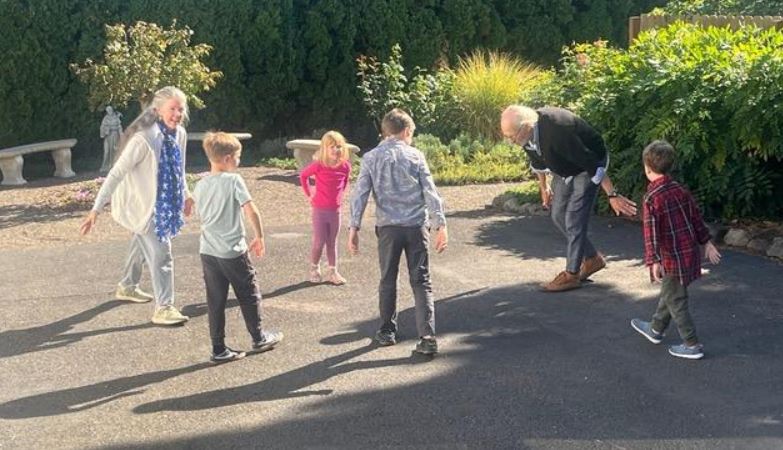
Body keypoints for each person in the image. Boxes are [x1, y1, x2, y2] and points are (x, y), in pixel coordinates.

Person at [80, 86, 192, 326]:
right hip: (142, 204)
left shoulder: (180, 134)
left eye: (180, 109)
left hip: (164, 203)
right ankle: (164, 308)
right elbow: (116, 173)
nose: (177, 114)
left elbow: (179, 169)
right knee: (162, 254)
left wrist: (186, 194)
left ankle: (127, 286)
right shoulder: (144, 139)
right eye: (172, 109)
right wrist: (96, 209)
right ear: (157, 110)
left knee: (141, 242)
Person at [500, 105, 638, 292]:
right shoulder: (527, 134)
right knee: (557, 215)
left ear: (526, 127)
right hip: (564, 167)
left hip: (588, 166)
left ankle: (571, 275)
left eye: (512, 136)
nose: (510, 141)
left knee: (573, 219)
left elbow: (591, 163)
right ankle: (593, 259)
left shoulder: (557, 131)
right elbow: (536, 159)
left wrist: (612, 194)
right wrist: (544, 186)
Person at [349, 108, 448, 355]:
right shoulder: (416, 156)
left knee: (387, 279)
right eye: (411, 133)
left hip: (388, 228)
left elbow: (360, 194)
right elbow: (430, 192)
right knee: (421, 281)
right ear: (405, 131)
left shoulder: (371, 158)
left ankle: (386, 331)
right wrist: (440, 224)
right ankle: (427, 336)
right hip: (416, 227)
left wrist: (354, 226)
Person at [192, 132, 282, 363]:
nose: (239, 161)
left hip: (208, 250)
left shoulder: (200, 185)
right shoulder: (234, 181)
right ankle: (258, 337)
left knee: (215, 300)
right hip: (232, 250)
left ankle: (218, 348)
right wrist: (259, 236)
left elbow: (200, 214)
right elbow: (251, 210)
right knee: (248, 292)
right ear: (227, 158)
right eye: (238, 157)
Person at [631, 140, 720, 360]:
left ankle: (692, 344)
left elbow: (651, 233)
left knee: (676, 300)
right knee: (671, 292)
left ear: (647, 168)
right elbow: (695, 217)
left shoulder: (651, 198)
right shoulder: (680, 190)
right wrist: (706, 242)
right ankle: (656, 328)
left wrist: (653, 260)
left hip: (671, 258)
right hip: (689, 253)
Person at [299, 131, 352, 285]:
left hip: (335, 211)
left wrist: (341, 195)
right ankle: (314, 268)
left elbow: (345, 181)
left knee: (332, 241)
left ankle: (333, 271)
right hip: (320, 210)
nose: (336, 150)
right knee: (319, 240)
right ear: (324, 149)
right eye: (332, 147)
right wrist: (309, 194)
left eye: (339, 146)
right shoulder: (319, 165)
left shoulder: (345, 166)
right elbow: (303, 176)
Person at [100, 105, 123, 173]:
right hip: (108, 136)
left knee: (114, 150)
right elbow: (102, 127)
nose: (109, 111)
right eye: (108, 110)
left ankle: (113, 165)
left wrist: (121, 134)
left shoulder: (116, 117)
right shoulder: (105, 118)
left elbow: (119, 126)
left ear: (112, 110)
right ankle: (105, 166)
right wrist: (105, 131)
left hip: (115, 135)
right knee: (107, 151)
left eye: (110, 110)